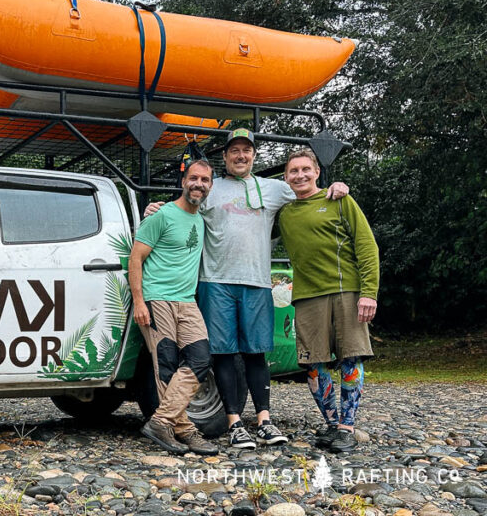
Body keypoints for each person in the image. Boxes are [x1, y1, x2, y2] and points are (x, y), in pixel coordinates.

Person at [145, 128, 349, 449]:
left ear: (254, 156)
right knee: (224, 355)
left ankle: (265, 421)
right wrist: (156, 208)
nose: (241, 156)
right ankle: (235, 423)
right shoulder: (212, 188)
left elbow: (305, 191)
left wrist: (332, 188)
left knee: (256, 354)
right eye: (234, 151)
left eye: (247, 151)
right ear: (225, 157)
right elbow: (185, 204)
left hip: (256, 282)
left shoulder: (272, 188)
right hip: (216, 283)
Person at [278, 148, 379, 453]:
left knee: (351, 358)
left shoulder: (339, 200)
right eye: (293, 171)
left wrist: (368, 293)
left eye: (306, 169)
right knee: (312, 364)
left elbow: (366, 245)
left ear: (317, 171)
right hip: (307, 297)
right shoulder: (284, 213)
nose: (300, 175)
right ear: (286, 177)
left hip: (345, 290)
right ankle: (332, 423)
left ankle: (347, 428)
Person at [130, 159, 217, 455]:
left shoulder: (200, 220)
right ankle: (186, 429)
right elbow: (136, 258)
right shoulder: (162, 215)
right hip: (157, 299)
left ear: (210, 186)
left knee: (201, 358)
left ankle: (162, 421)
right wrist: (140, 302)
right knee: (165, 363)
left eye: (205, 180)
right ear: (183, 181)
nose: (199, 184)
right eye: (194, 178)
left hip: (187, 301)